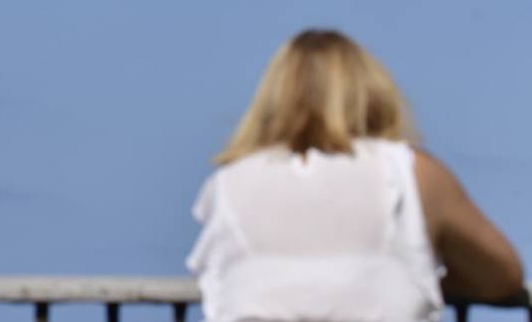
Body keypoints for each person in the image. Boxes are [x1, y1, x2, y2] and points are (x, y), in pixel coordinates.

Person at [188, 29, 523, 321]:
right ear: (373, 92)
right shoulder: (409, 173)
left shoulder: (228, 183)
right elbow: (502, 274)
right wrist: (424, 277)